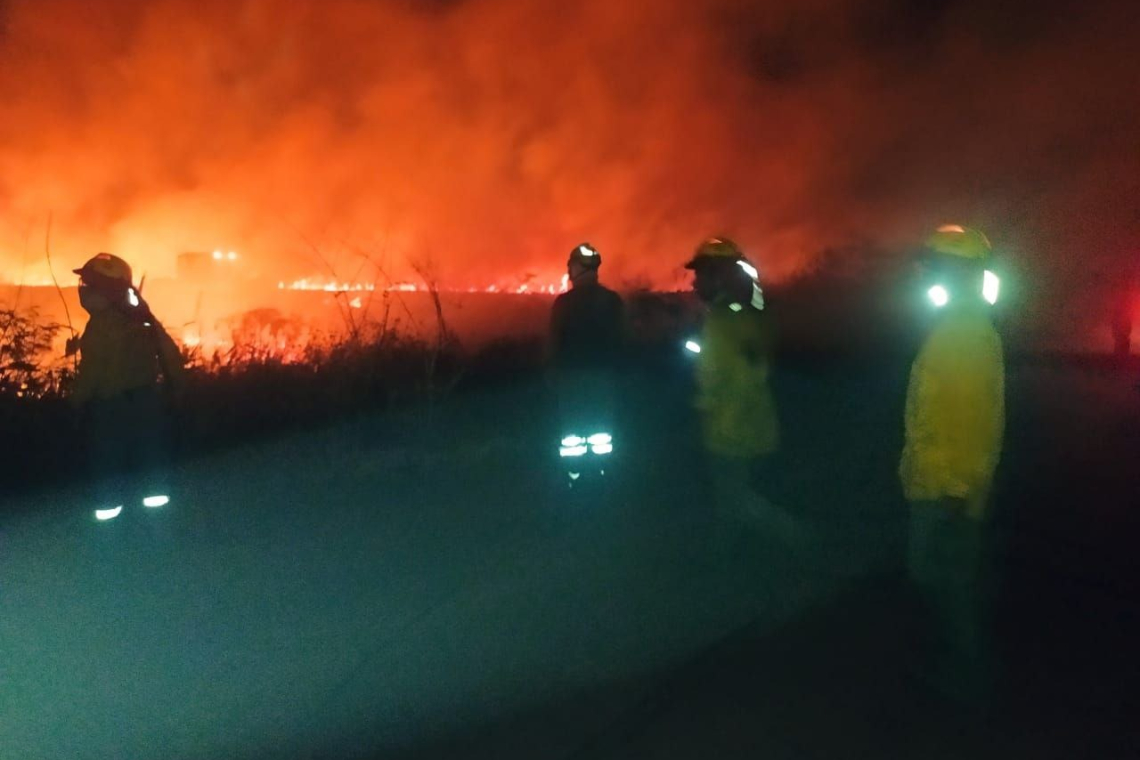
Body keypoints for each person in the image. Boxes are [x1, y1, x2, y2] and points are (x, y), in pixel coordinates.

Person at [900, 224, 1005, 702]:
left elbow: (968, 423)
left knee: (944, 577)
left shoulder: (961, 335)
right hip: (942, 482)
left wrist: (957, 491)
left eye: (935, 263)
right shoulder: (962, 325)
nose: (927, 271)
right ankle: (960, 661)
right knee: (944, 575)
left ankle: (967, 673)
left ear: (958, 271)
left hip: (945, 487)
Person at [684, 236, 791, 557]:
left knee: (736, 499)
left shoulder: (727, 320)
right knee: (729, 499)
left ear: (718, 275)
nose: (694, 282)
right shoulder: (740, 312)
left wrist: (706, 409)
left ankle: (805, 541)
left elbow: (734, 378)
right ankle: (725, 557)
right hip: (740, 424)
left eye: (701, 273)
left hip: (731, 429)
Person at [71, 253, 185, 522]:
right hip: (147, 401)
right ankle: (157, 523)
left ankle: (110, 526)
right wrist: (179, 388)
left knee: (108, 463)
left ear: (108, 289)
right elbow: (170, 354)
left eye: (90, 283)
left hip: (110, 407)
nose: (83, 289)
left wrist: (73, 404)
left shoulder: (102, 325)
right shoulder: (142, 317)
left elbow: (92, 373)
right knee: (150, 459)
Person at [548, 243, 624, 485]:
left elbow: (553, 344)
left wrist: (550, 375)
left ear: (577, 268)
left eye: (571, 266)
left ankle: (574, 477)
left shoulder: (564, 304)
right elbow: (624, 340)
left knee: (572, 433)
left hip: (571, 381)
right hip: (604, 380)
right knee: (602, 430)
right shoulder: (613, 301)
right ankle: (603, 475)